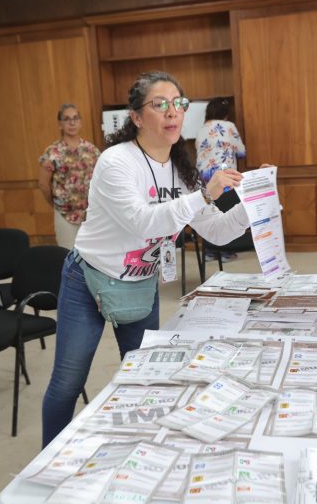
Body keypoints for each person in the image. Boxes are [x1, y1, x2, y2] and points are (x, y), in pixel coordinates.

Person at [41, 71, 250, 447]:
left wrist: (256, 204)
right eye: (160, 104)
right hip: (89, 281)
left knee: (145, 376)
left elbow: (217, 231)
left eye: (178, 104)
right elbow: (142, 222)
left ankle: (137, 446)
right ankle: (48, 459)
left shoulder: (182, 171)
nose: (173, 112)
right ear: (136, 116)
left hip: (140, 282)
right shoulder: (115, 162)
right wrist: (204, 196)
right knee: (68, 381)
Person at [38, 103, 100, 249]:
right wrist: (55, 203)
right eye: (67, 119)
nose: (72, 122)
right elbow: (43, 184)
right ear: (60, 124)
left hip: (90, 214)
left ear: (80, 121)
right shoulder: (53, 151)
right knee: (67, 256)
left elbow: (101, 181)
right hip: (64, 213)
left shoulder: (92, 150)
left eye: (75, 118)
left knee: (91, 257)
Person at [195, 97, 247, 262]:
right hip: (225, 175)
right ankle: (225, 251)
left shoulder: (202, 128)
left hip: (204, 177)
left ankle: (210, 251)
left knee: (208, 213)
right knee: (225, 212)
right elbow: (241, 152)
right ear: (225, 114)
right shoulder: (229, 126)